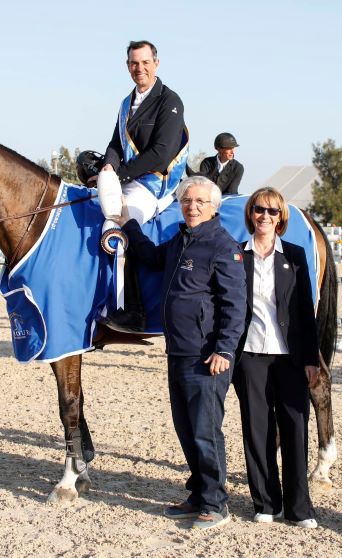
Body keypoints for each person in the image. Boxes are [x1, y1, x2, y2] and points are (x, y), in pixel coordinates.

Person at [113, 176, 246, 530]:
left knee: (206, 431)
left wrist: (224, 349)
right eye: (187, 200)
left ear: (214, 207)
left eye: (200, 201)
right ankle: (199, 494)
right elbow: (150, 256)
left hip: (206, 356)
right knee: (186, 430)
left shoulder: (222, 246)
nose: (192, 206)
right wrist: (128, 223)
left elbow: (235, 305)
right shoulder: (180, 240)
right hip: (178, 352)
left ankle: (216, 504)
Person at [233, 187, 319, 528]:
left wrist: (311, 358)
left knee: (295, 427)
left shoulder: (294, 256)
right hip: (250, 354)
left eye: (272, 211)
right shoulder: (237, 254)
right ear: (250, 213)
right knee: (257, 429)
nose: (264, 216)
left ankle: (300, 507)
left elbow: (305, 310)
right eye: (259, 209)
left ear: (281, 217)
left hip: (290, 356)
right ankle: (266, 502)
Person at [96, 40, 190, 332]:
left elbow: (161, 153)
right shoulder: (126, 103)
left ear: (156, 64)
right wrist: (108, 167)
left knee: (120, 226)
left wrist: (120, 175)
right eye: (134, 63)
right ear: (128, 66)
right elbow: (115, 143)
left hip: (155, 183)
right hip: (128, 178)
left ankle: (134, 310)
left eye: (145, 62)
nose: (140, 68)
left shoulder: (169, 100)